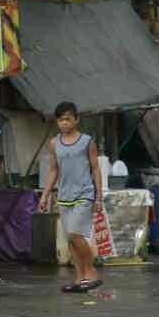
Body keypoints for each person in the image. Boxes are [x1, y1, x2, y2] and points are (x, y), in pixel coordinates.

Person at [40, 101, 105, 293]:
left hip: (84, 193)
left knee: (76, 233)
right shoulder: (54, 143)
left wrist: (99, 196)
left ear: (76, 120)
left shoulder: (87, 141)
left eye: (68, 119)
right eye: (60, 120)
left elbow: (95, 169)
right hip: (64, 195)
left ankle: (91, 271)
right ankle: (79, 279)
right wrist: (44, 196)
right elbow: (53, 171)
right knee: (70, 238)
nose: (64, 123)